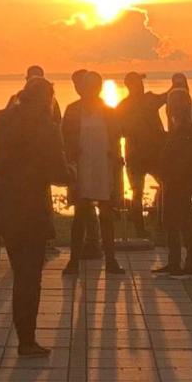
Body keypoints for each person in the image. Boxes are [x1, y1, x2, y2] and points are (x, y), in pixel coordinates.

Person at [0, 77, 71, 356]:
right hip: (31, 209)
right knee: (30, 276)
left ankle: (25, 336)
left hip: (6, 206)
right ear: (47, 100)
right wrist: (72, 172)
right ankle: (27, 340)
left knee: (20, 272)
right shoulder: (47, 128)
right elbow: (58, 173)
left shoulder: (2, 122)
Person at [61, 71, 124, 275]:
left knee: (106, 215)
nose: (87, 90)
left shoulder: (108, 111)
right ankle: (74, 261)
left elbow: (116, 138)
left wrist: (115, 165)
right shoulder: (72, 110)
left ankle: (111, 260)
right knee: (80, 215)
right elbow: (64, 138)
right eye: (86, 86)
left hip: (103, 167)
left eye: (92, 86)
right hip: (81, 167)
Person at [115, 71, 169, 237]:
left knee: (142, 191)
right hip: (147, 154)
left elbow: (118, 131)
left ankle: (152, 224)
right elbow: (168, 96)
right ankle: (152, 225)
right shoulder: (147, 100)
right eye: (139, 83)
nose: (141, 86)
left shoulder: (123, 106)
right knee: (154, 188)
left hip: (138, 155)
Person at [153, 88, 192, 277]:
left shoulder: (186, 129)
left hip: (179, 180)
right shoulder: (178, 127)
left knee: (182, 221)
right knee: (175, 221)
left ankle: (188, 263)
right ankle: (175, 261)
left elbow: (184, 157)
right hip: (173, 180)